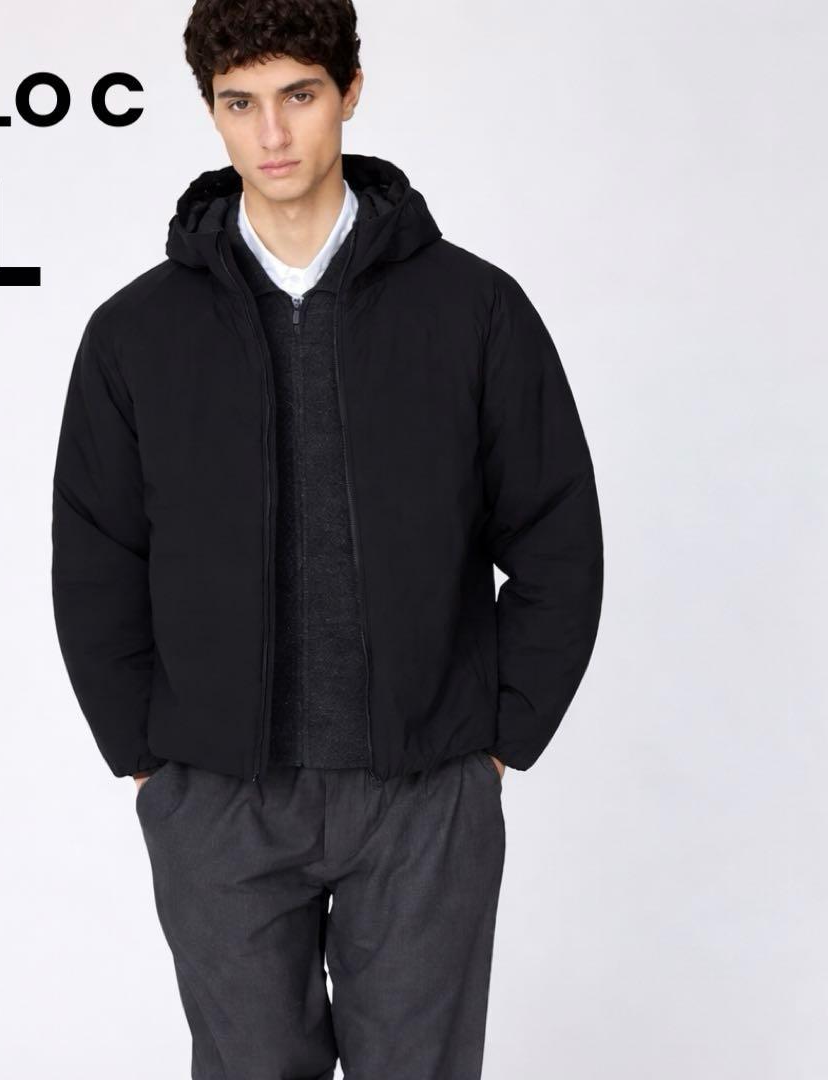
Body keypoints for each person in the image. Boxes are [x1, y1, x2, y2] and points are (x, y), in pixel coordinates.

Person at [51, 2, 604, 1076]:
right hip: (218, 796)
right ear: (211, 111)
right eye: (240, 104)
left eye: (299, 95)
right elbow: (97, 555)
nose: (271, 134)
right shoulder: (135, 334)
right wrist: (150, 760)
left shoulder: (475, 310)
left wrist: (497, 738)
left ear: (350, 92)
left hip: (425, 790)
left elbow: (556, 532)